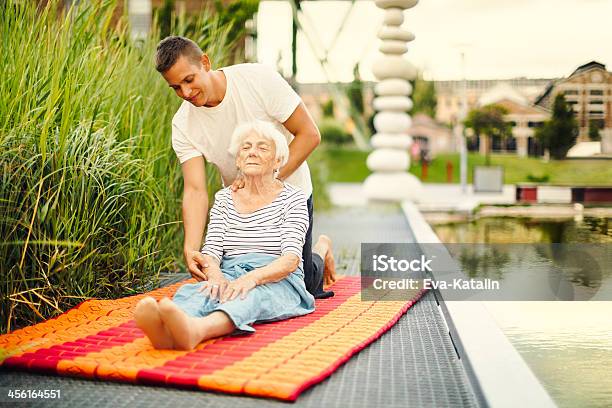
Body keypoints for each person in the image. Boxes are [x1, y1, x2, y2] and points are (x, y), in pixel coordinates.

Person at [155, 36, 336, 298]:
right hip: (241, 208)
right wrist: (191, 247)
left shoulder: (258, 79)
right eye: (175, 88)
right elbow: (195, 189)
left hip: (288, 193)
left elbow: (309, 134)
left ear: (205, 62)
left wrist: (266, 181)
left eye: (189, 80)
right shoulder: (183, 124)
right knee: (235, 278)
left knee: (301, 285)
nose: (185, 93)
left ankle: (322, 247)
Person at [134, 121, 334, 350]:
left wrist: (252, 278)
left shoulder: (294, 200)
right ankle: (167, 329)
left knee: (249, 296)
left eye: (262, 147)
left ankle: (197, 330)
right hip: (231, 271)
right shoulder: (224, 199)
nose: (252, 152)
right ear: (238, 160)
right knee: (200, 291)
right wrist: (216, 275)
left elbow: (290, 260)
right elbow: (211, 250)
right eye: (246, 147)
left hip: (277, 278)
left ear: (278, 161)